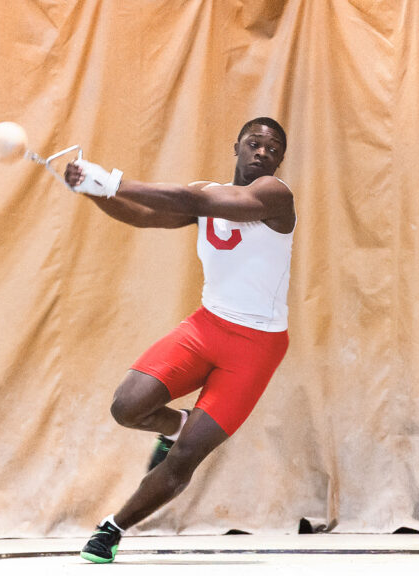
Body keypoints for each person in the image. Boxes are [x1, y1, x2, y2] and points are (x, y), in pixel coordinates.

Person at [63, 117, 295, 563]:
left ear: (279, 160)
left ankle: (112, 529)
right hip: (208, 325)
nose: (263, 152)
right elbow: (147, 216)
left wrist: (113, 180)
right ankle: (175, 424)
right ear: (237, 147)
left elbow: (193, 199)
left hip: (256, 347)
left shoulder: (274, 195)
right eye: (254, 143)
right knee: (127, 407)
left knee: (185, 457)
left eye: (273, 149)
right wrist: (93, 191)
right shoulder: (206, 192)